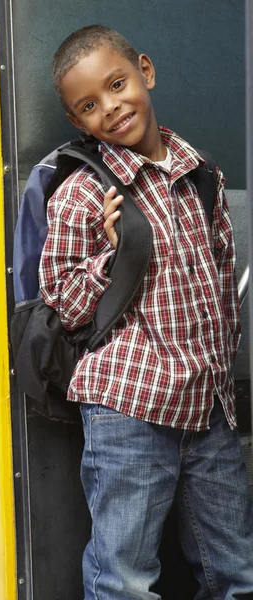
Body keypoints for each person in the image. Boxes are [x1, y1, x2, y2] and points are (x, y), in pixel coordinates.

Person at [38, 24, 253, 600]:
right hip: (128, 411)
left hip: (208, 411)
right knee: (125, 579)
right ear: (77, 122)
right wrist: (110, 253)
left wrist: (224, 382)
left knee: (236, 573)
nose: (110, 108)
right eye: (89, 105)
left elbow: (222, 278)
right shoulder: (82, 193)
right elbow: (62, 303)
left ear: (146, 72)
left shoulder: (201, 174)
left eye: (117, 84)